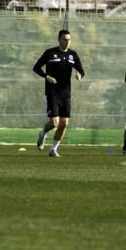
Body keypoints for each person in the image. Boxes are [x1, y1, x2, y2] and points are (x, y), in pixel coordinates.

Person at [32, 29, 85, 158]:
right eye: (64, 39)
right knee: (54, 123)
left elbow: (81, 70)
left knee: (64, 124)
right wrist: (46, 76)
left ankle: (53, 149)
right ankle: (43, 133)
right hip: (52, 92)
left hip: (66, 93)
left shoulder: (73, 55)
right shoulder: (50, 53)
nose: (67, 42)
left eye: (69, 40)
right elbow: (36, 67)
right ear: (59, 40)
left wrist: (79, 74)